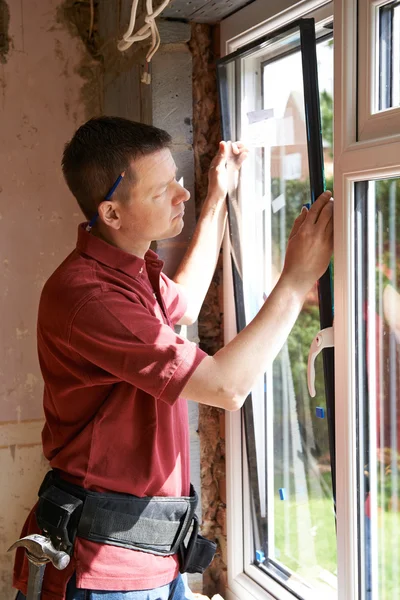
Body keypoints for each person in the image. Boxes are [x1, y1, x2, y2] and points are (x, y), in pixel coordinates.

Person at [12, 116, 333, 600]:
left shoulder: (129, 271)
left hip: (153, 559)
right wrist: (295, 279)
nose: (180, 195)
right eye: (163, 191)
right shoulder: (92, 297)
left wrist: (217, 198)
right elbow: (227, 386)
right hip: (105, 573)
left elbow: (182, 298)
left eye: (179, 182)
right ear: (112, 213)